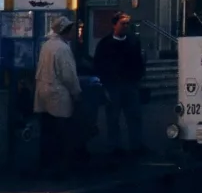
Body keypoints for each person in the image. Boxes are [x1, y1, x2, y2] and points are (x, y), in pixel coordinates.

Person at [34, 16, 82, 178]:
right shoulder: (63, 48)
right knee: (60, 132)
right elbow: (68, 75)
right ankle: (58, 168)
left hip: (43, 92)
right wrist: (76, 92)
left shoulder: (47, 45)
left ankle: (45, 164)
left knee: (47, 131)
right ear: (65, 31)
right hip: (58, 93)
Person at [93, 12, 147, 157]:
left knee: (134, 116)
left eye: (127, 24)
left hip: (130, 84)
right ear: (114, 25)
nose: (125, 26)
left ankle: (136, 145)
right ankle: (114, 147)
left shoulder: (133, 41)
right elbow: (99, 64)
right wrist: (105, 84)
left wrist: (138, 77)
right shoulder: (105, 44)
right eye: (122, 23)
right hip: (113, 85)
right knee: (113, 118)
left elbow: (139, 62)